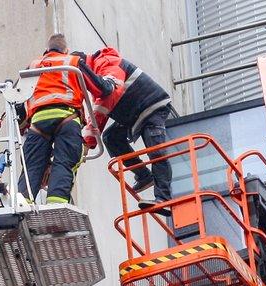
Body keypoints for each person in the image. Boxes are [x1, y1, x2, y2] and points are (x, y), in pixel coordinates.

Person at [17, 34, 115, 204]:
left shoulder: (33, 66)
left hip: (38, 122)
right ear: (66, 50)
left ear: (47, 50)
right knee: (64, 162)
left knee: (30, 166)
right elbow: (101, 89)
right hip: (67, 119)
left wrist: (21, 125)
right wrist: (110, 83)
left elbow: (18, 101)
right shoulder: (73, 62)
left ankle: (23, 205)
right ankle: (57, 203)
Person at [75, 48, 172, 215]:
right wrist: (87, 140)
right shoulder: (97, 72)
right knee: (111, 138)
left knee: (156, 151)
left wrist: (87, 142)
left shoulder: (105, 63)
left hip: (151, 106)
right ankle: (143, 175)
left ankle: (164, 199)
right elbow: (101, 108)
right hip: (135, 112)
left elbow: (106, 100)